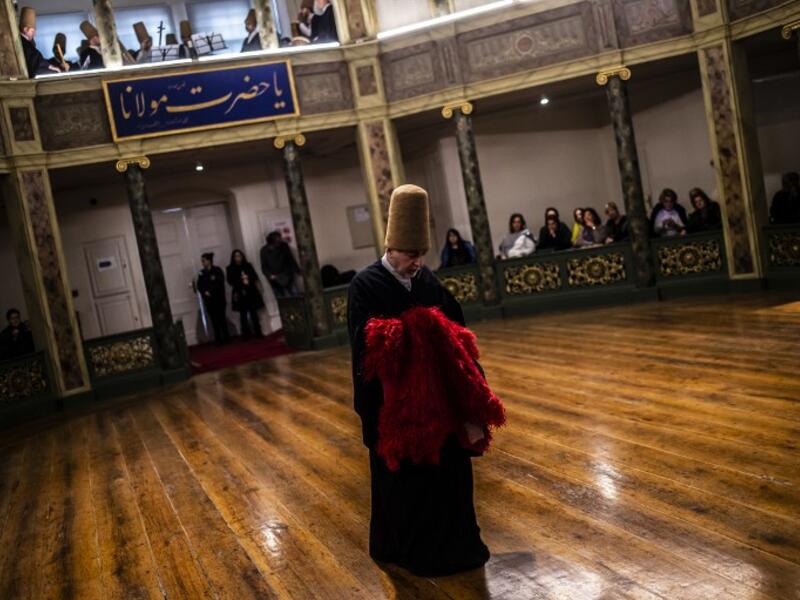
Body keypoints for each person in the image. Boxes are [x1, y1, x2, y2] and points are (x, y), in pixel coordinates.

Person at [347, 184, 492, 577]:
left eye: (422, 255)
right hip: (394, 407)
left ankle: (457, 544)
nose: (417, 263)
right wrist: (417, 330)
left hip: (438, 407)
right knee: (404, 482)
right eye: (411, 255)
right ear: (392, 248)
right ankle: (407, 548)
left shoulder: (429, 283)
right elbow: (367, 344)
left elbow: (456, 335)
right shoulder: (366, 284)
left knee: (449, 477)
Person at [227, 249, 264, 339]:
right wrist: (241, 282)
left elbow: (254, 276)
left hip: (250, 290)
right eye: (236, 256)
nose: (238, 258)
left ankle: (258, 332)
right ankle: (246, 334)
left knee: (253, 312)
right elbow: (230, 281)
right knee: (243, 314)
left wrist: (248, 280)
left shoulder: (248, 265)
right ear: (233, 258)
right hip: (239, 291)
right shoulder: (230, 268)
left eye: (239, 255)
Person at [18, 7, 64, 77]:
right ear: (25, 29)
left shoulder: (26, 41)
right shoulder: (23, 42)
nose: (34, 34)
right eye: (32, 31)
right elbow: (35, 57)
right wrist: (50, 66)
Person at [196, 253, 230, 346]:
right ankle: (218, 339)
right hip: (209, 301)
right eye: (202, 261)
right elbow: (199, 285)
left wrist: (211, 291)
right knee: (214, 320)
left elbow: (219, 283)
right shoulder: (201, 273)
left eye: (204, 260)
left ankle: (226, 338)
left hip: (219, 299)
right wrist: (204, 292)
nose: (203, 263)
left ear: (209, 260)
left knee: (222, 319)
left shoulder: (217, 270)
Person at [260, 231, 300, 298]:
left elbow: (291, 259)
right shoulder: (264, 251)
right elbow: (264, 266)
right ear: (271, 242)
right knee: (281, 300)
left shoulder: (284, 246)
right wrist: (270, 275)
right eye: (277, 241)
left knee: (296, 296)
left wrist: (297, 270)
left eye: (280, 239)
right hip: (274, 279)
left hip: (287, 274)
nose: (279, 242)